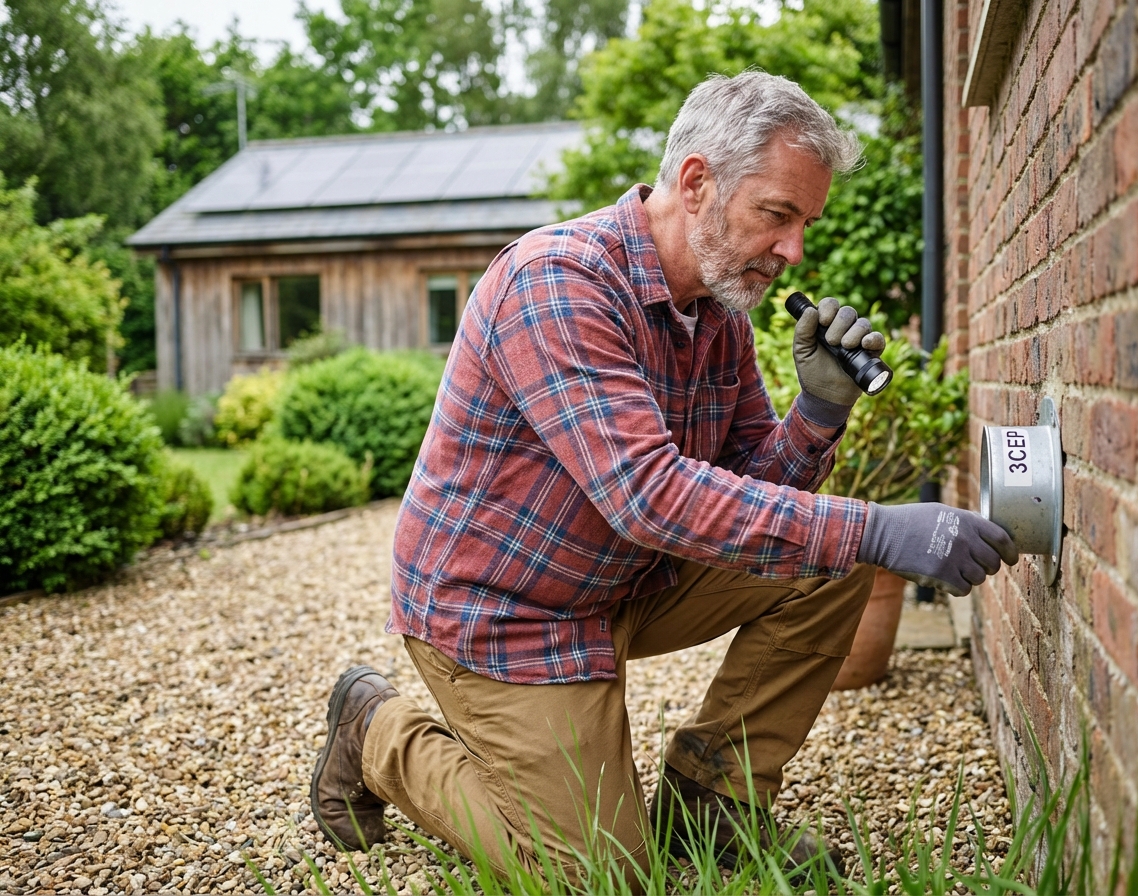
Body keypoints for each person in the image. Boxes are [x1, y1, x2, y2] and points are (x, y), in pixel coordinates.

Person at [309, 70, 1017, 884]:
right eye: (777, 215)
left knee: (831, 560)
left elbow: (746, 491)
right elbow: (648, 495)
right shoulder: (558, 284)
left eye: (804, 224)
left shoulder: (716, 313)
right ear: (695, 182)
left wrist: (817, 413)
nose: (793, 251)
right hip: (505, 614)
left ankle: (708, 802)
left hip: (621, 581)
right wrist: (877, 524)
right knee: (594, 876)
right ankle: (376, 730)